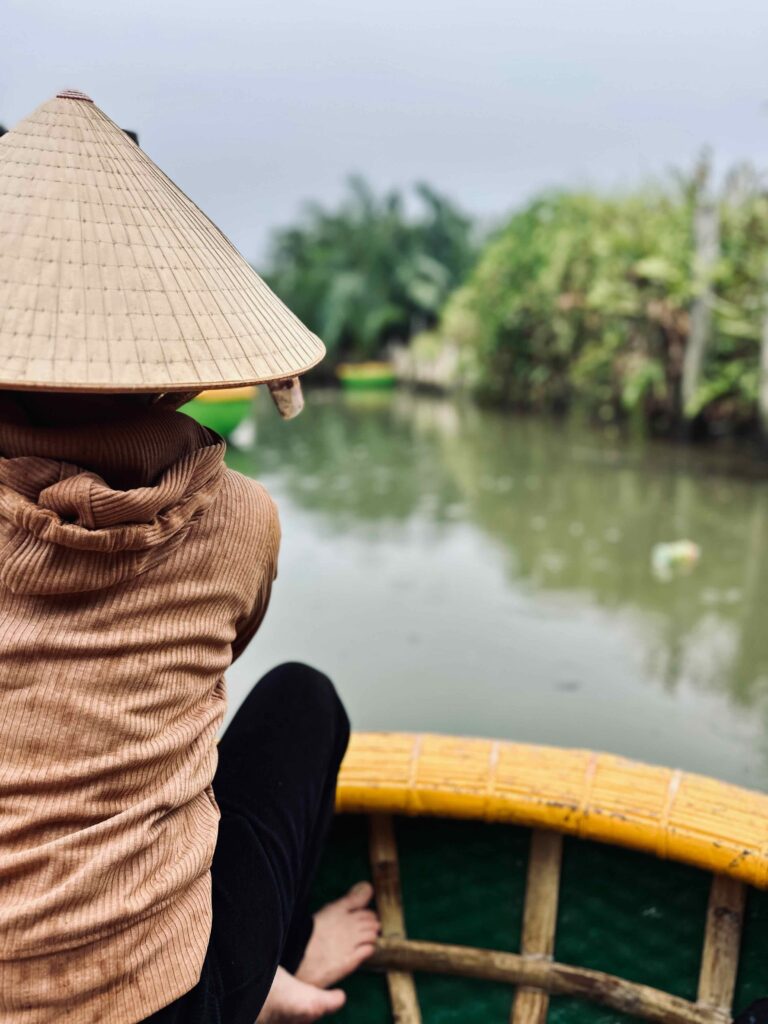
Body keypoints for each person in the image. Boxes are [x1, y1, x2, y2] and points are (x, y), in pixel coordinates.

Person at [0, 91, 378, 1023]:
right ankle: (272, 971)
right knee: (301, 702)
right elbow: (209, 668)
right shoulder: (241, 522)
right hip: (163, 1002)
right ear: (176, 358)